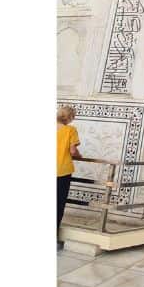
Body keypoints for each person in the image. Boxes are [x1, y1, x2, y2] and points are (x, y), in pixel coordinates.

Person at [57, 105, 83, 251]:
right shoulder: (70, 130)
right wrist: (79, 155)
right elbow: (73, 151)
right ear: (70, 117)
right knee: (58, 204)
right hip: (62, 171)